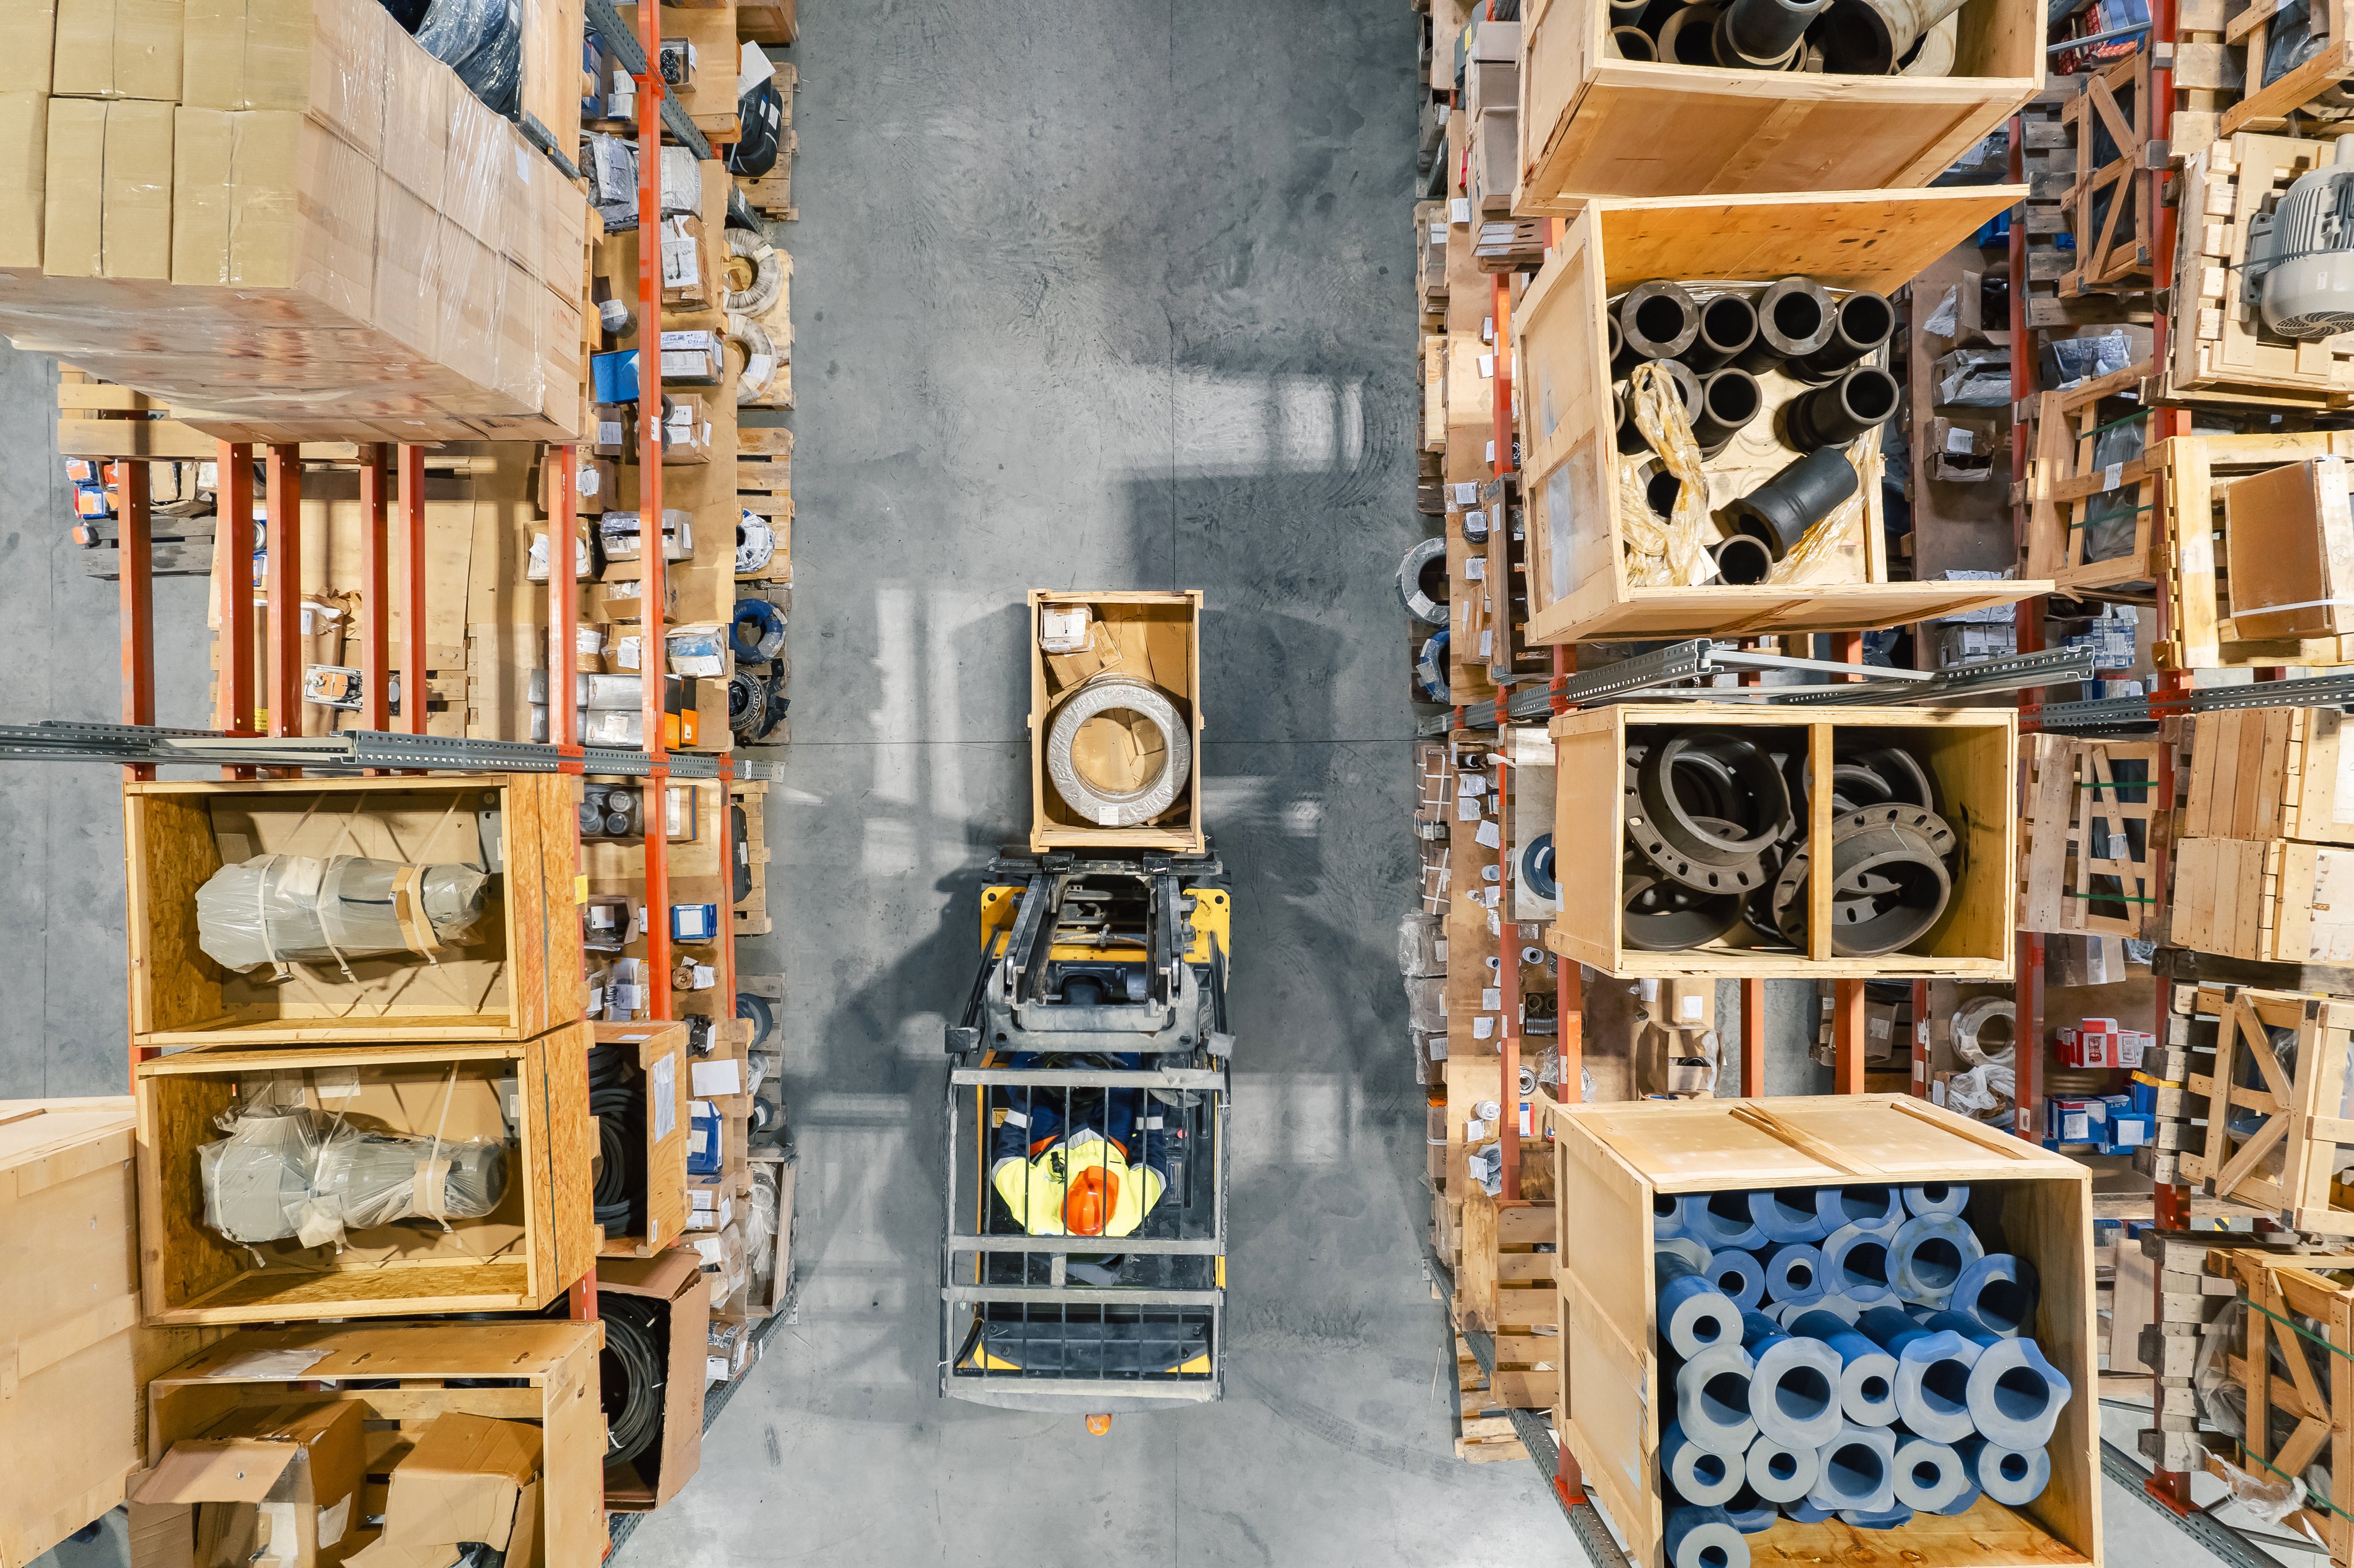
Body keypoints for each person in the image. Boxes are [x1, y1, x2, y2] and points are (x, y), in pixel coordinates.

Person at [989, 1054, 1176, 1237]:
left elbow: (1008, 1156)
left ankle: (1036, 1043)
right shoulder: (1129, 1212)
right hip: (1109, 1138)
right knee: (1131, 1075)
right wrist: (1150, 1099)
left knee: (1021, 1068)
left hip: (1052, 1139)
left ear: (1067, 1193)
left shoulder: (1034, 1210)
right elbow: (1152, 1158)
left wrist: (1025, 1095)